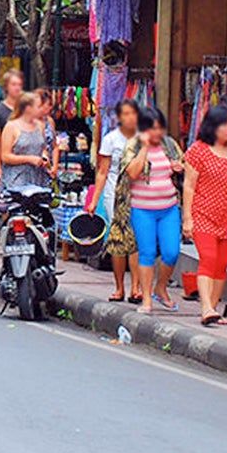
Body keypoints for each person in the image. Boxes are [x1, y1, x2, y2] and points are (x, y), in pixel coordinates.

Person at [183, 104, 227, 326]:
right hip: (203, 211)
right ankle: (205, 307)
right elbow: (189, 186)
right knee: (208, 258)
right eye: (225, 124)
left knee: (222, 263)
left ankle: (213, 308)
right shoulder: (198, 150)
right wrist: (187, 218)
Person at [120, 107, 184, 314]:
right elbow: (132, 173)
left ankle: (161, 287)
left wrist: (178, 166)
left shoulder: (170, 144)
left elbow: (183, 163)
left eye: (160, 128)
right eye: (152, 128)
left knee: (171, 252)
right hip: (142, 209)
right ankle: (147, 299)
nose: (157, 133)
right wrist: (145, 148)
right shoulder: (133, 145)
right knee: (147, 253)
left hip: (168, 207)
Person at [91, 98, 142, 303]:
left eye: (133, 114)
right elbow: (102, 172)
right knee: (119, 240)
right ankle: (120, 287)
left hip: (139, 193)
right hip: (114, 193)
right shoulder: (111, 139)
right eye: (126, 114)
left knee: (136, 240)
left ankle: (136, 287)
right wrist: (95, 200)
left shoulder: (144, 138)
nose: (130, 118)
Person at [0, 90, 56, 193]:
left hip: (37, 179)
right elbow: (5, 156)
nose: (41, 109)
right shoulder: (11, 126)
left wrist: (44, 157)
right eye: (38, 106)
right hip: (16, 180)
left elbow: (43, 148)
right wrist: (29, 159)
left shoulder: (40, 125)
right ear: (28, 109)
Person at [0, 69, 24, 182]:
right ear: (6, 87)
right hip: (8, 163)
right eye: (13, 84)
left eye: (19, 85)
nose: (17, 88)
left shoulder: (26, 109)